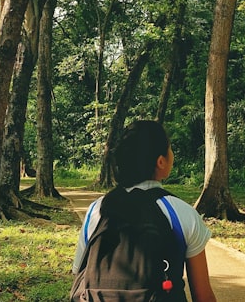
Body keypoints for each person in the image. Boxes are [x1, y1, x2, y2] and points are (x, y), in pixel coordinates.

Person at [72, 120, 217, 302]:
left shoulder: (98, 209)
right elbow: (203, 296)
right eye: (170, 149)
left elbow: (79, 276)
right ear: (161, 161)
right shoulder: (181, 213)